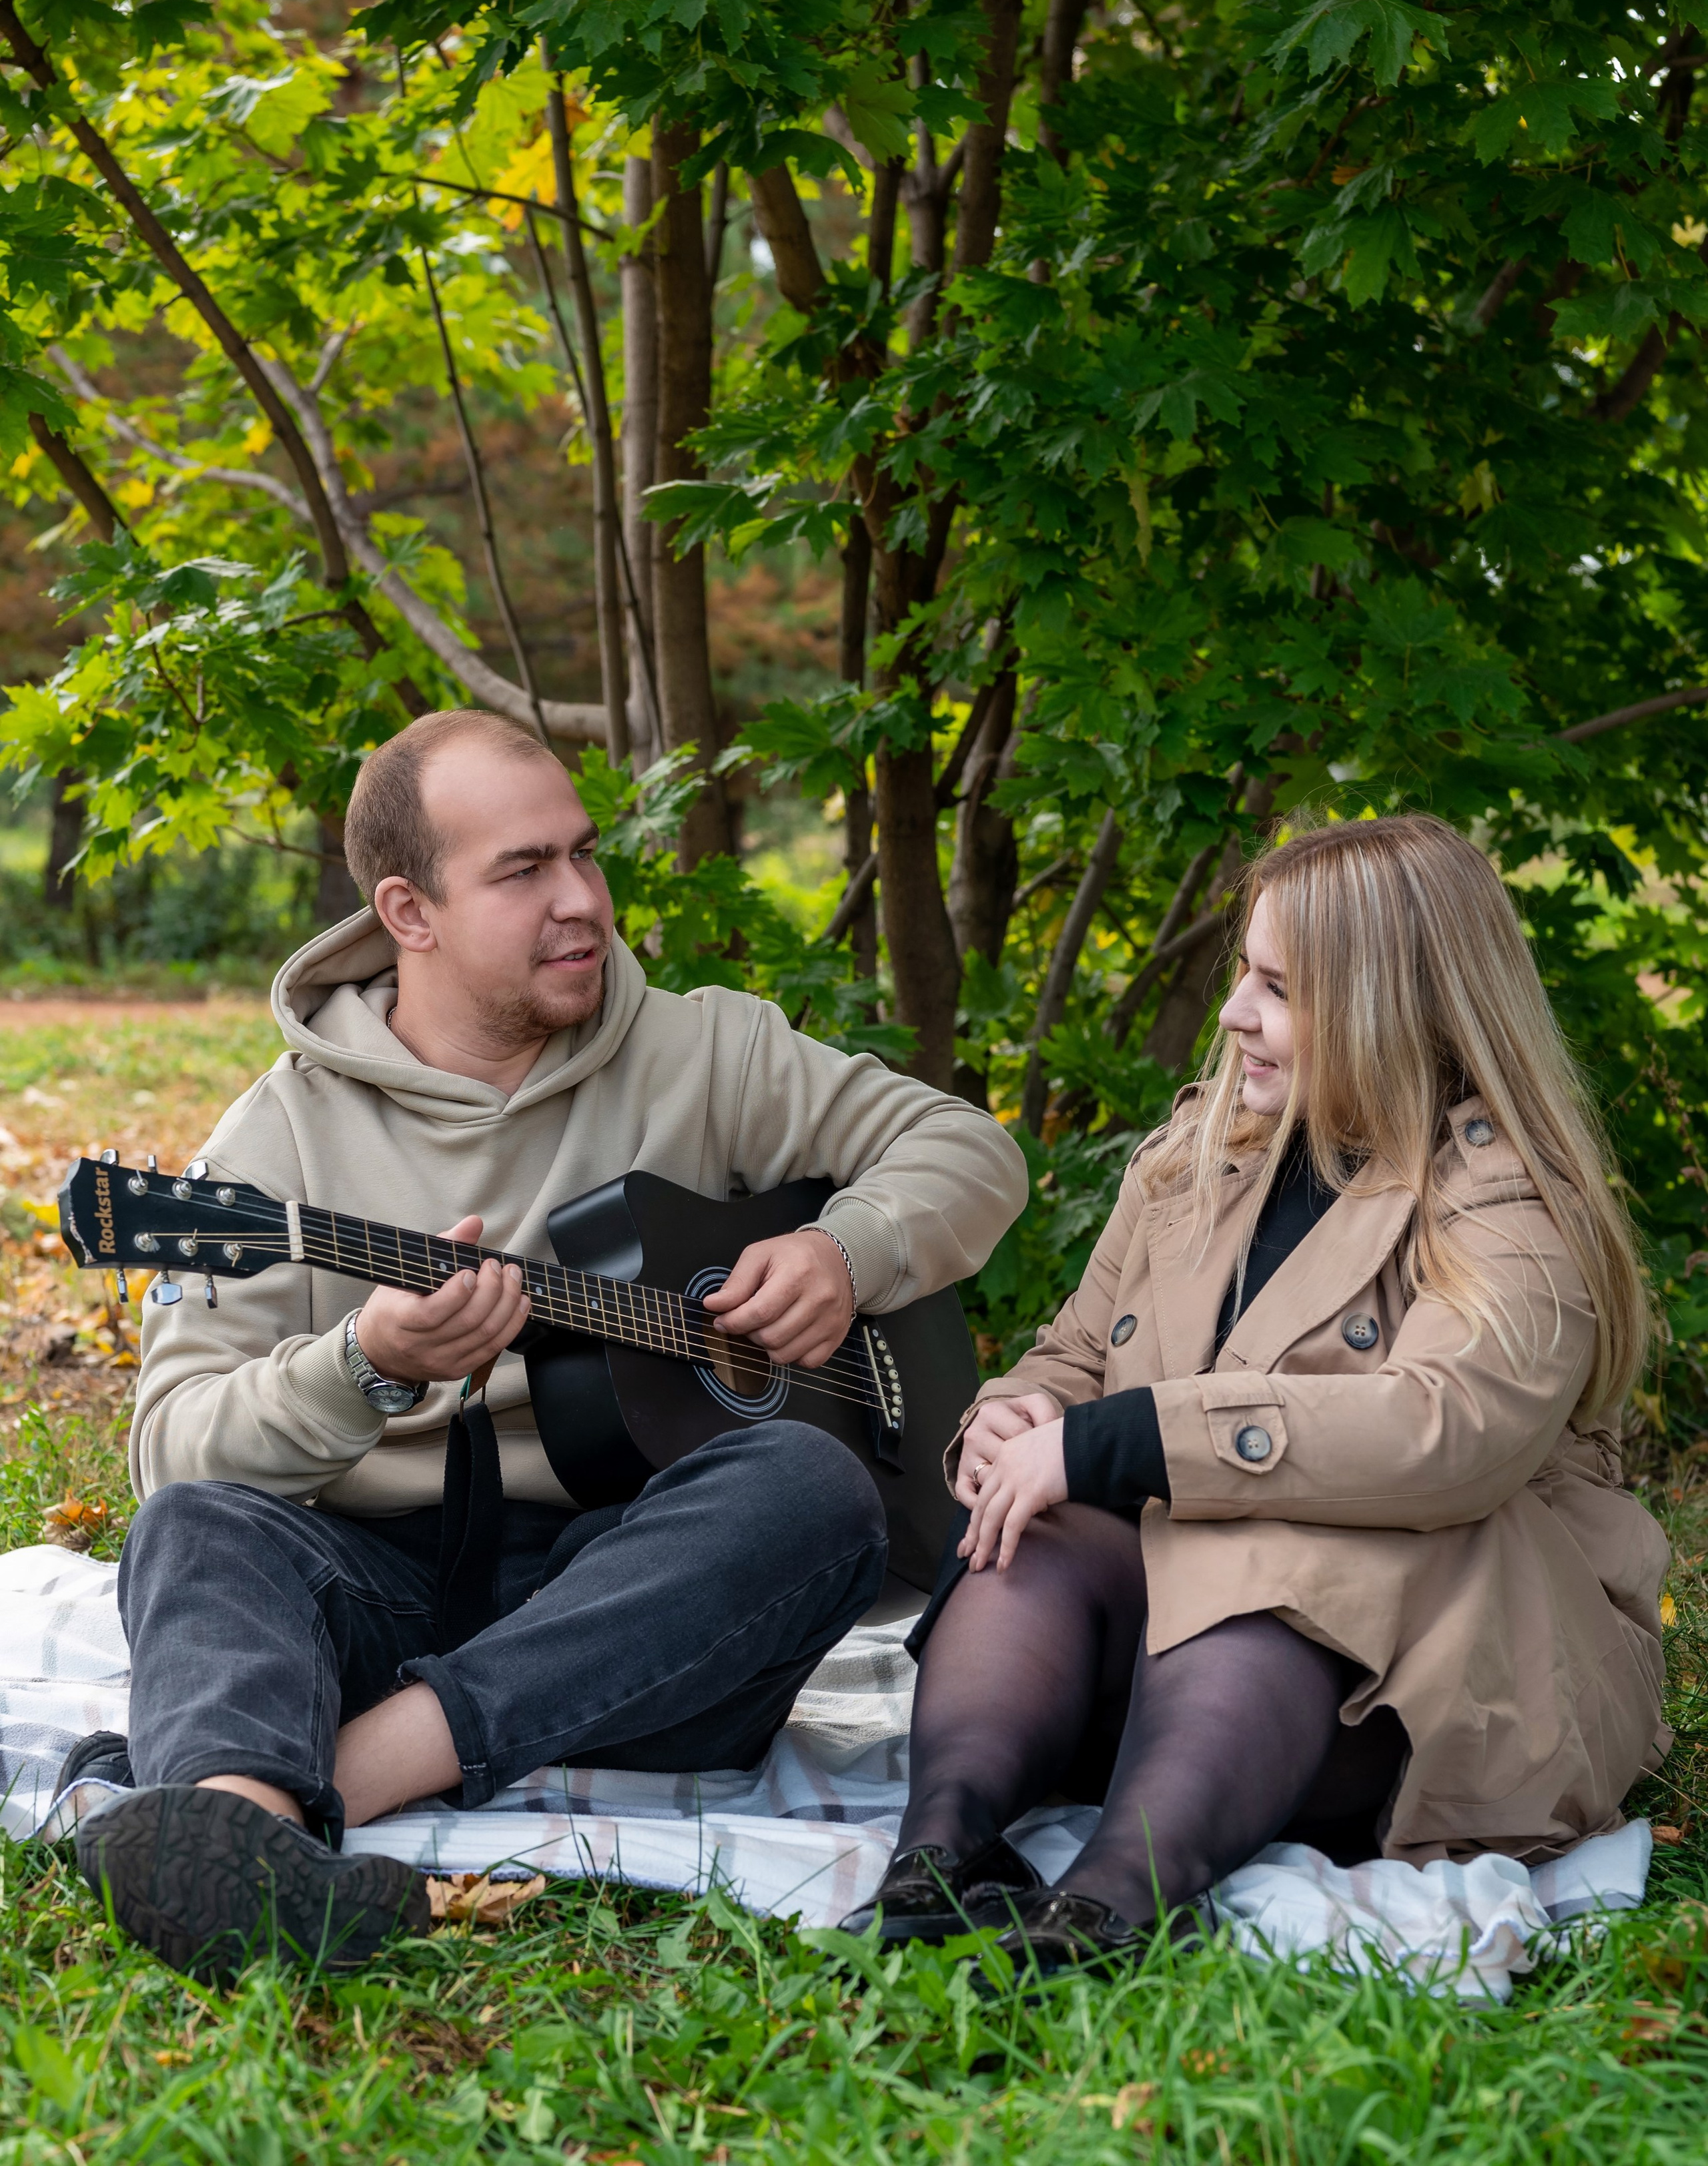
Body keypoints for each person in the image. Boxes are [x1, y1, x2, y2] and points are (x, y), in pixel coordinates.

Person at [69, 710, 1026, 1980]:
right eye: (523, 871)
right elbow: (172, 1453)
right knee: (197, 1529)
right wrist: (363, 1365)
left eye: (584, 853)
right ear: (408, 912)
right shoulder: (271, 1146)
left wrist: (845, 1255)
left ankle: (283, 1803)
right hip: (377, 1585)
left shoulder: (706, 1049)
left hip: (641, 1613)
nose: (581, 899)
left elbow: (970, 1150)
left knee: (812, 1487)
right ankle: (234, 1848)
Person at [845, 813, 1671, 1972]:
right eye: (1245, 973)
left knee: (1262, 1555)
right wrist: (1016, 1415)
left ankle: (1116, 1900)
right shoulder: (1202, 1153)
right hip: (1165, 1671)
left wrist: (1120, 1441)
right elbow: (1074, 1352)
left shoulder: (1506, 1198)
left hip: (1417, 1686)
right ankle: (938, 1855)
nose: (1235, 1012)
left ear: (1388, 1004)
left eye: (1278, 988)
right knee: (1033, 1532)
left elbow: (1448, 1432)